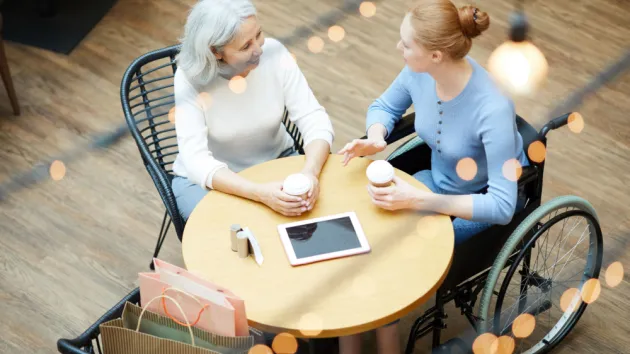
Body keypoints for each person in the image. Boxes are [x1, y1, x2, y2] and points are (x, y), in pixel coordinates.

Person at [337, 0, 529, 352]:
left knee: (392, 257)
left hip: (477, 202)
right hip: (432, 183)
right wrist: (377, 137)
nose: (399, 48)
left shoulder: (492, 108)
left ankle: (386, 340)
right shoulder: (418, 72)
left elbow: (502, 205)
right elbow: (384, 106)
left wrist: (418, 201)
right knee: (362, 236)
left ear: (437, 56)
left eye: (406, 44)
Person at [171, 0, 334, 221]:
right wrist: (260, 193)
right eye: (245, 46)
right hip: (211, 181)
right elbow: (196, 161)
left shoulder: (274, 53)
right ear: (215, 52)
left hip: (277, 160)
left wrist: (310, 172)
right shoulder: (189, 79)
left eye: (258, 35)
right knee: (231, 237)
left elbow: (313, 117)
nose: (259, 50)